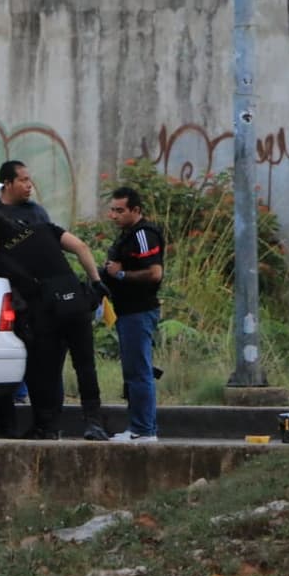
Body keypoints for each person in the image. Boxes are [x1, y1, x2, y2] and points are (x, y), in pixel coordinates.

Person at [0, 213, 111, 441]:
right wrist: (96, 281)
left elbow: (7, 298)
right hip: (76, 305)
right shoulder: (44, 228)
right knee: (85, 366)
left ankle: (47, 427)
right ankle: (93, 422)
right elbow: (81, 247)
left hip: (46, 315)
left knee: (44, 372)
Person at [0, 160, 52, 404]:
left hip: (27, 291)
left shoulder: (36, 213)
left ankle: (21, 393)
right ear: (7, 183)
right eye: (23, 180)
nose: (29, 185)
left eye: (29, 180)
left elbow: (48, 248)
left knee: (27, 339)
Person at [101, 187, 165, 443]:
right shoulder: (127, 235)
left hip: (139, 311)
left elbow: (154, 273)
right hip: (127, 312)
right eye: (112, 210)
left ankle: (143, 430)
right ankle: (140, 426)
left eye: (120, 210)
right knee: (135, 371)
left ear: (135, 210)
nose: (113, 215)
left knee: (139, 372)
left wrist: (120, 275)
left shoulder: (143, 235)